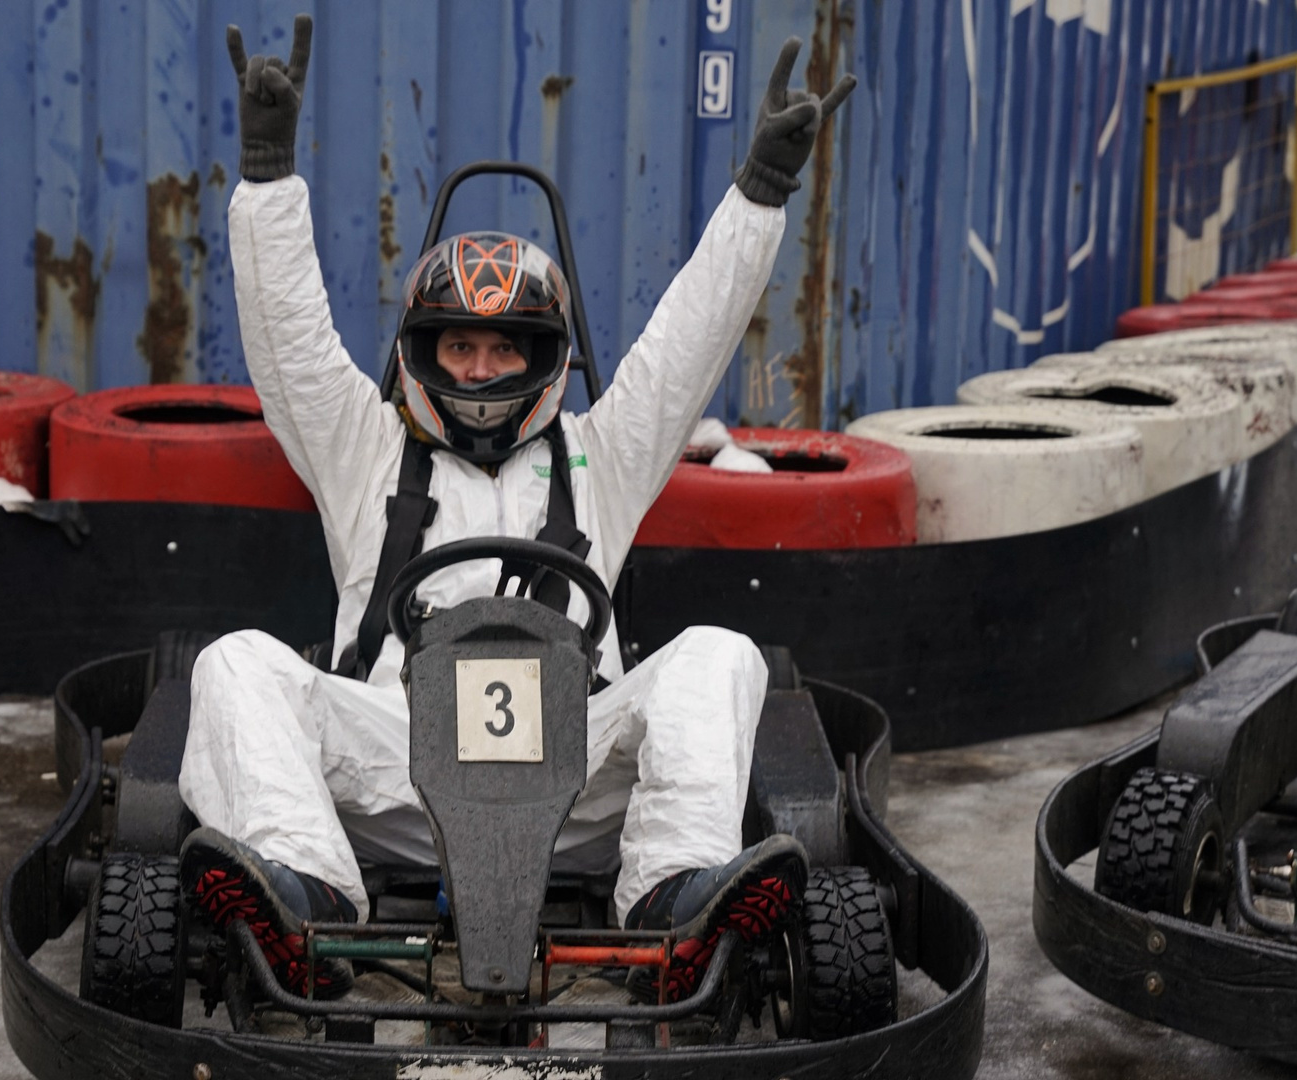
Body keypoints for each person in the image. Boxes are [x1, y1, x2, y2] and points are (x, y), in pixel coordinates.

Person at [179, 13, 855, 1001]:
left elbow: (689, 340)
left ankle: (674, 904)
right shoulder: (362, 445)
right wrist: (269, 174)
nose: (480, 369)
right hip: (392, 774)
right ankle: (304, 899)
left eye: (505, 349)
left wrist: (761, 191)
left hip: (575, 783)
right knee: (235, 662)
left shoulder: (601, 454)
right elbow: (288, 340)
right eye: (459, 346)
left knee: (720, 652)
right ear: (423, 351)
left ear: (546, 358)